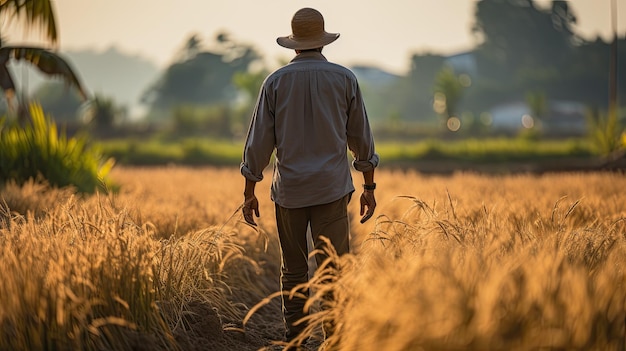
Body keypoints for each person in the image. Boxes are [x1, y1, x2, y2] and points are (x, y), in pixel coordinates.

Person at [240, 7, 379, 342]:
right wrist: (368, 186)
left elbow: (259, 144)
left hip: (289, 192)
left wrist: (249, 192)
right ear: (322, 41)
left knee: (294, 271)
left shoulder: (274, 82)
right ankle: (335, 340)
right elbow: (361, 138)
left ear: (294, 44)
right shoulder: (345, 79)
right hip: (332, 189)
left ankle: (295, 340)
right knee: (333, 269)